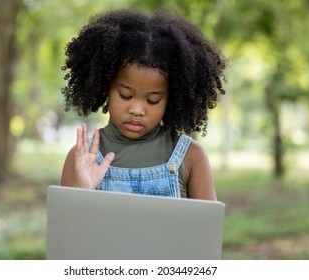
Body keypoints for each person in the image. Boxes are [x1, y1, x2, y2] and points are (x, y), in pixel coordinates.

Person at [60, 8, 226, 200]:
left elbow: (207, 228)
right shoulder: (81, 158)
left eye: (152, 100)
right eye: (125, 95)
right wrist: (82, 189)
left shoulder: (191, 157)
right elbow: (68, 229)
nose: (137, 110)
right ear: (106, 87)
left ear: (171, 98)